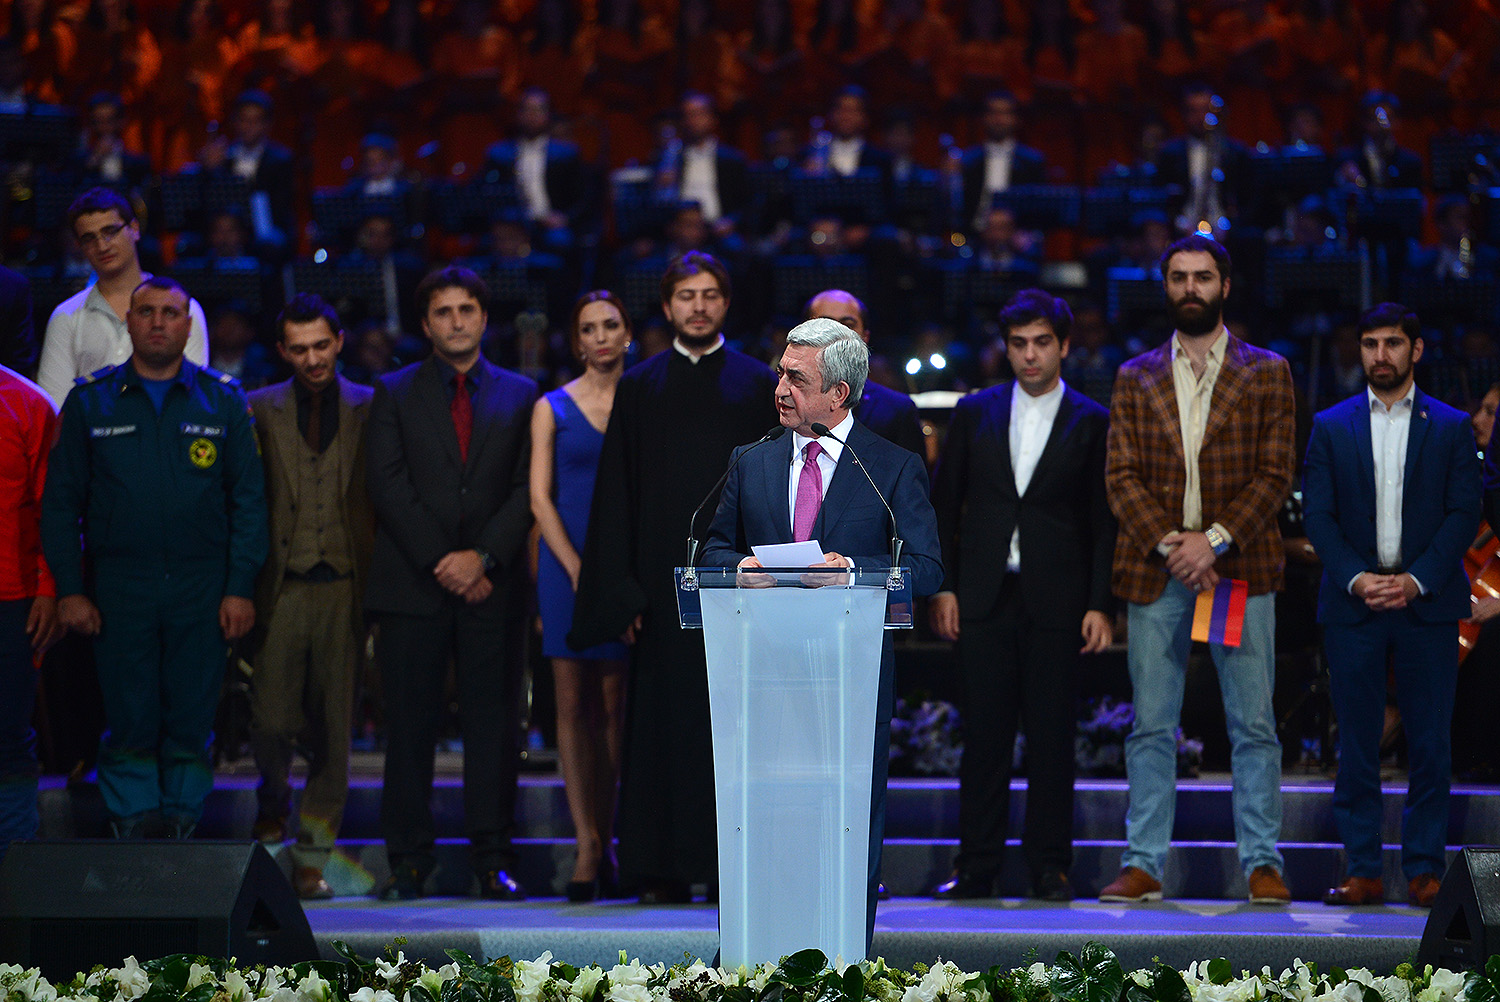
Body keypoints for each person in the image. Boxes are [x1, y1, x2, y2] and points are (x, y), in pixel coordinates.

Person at [700, 316, 942, 948]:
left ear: (839, 393)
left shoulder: (891, 468)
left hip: (848, 686)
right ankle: (750, 962)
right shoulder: (750, 461)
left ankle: (844, 963)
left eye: (796, 379)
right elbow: (712, 552)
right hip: (762, 681)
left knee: (847, 835)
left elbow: (926, 568)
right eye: (781, 373)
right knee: (763, 829)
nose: (780, 388)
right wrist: (742, 570)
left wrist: (854, 574)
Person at [569, 251, 777, 904]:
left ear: (726, 303)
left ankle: (727, 869)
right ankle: (659, 869)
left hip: (740, 589)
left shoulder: (757, 384)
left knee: (734, 728)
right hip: (661, 593)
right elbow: (617, 493)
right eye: (686, 295)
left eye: (710, 294)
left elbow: (775, 488)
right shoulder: (641, 386)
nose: (698, 306)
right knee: (661, 726)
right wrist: (623, 591)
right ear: (667, 307)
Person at [1100, 234, 1295, 904]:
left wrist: (1210, 542)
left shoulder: (1267, 371)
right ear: (1166, 287)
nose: (1191, 287)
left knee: (1254, 724)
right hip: (1159, 570)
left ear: (1225, 286)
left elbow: (1276, 473)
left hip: (1237, 568)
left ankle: (1262, 862)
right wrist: (1175, 546)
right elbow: (1120, 476)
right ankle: (1144, 863)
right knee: (1152, 725)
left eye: (1202, 277)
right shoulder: (1135, 375)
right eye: (1179, 277)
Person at [40, 276, 267, 839]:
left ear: (189, 326)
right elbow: (60, 504)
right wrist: (70, 589)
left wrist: (240, 587)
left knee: (191, 712)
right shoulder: (90, 401)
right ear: (130, 323)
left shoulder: (223, 400)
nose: (159, 322)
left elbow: (249, 503)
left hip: (202, 584)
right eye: (146, 312)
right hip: (120, 585)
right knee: (130, 712)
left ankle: (183, 816)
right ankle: (133, 817)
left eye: (171, 313)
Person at [928, 289, 1116, 902]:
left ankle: (1050, 866)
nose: (1030, 355)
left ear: (1064, 346)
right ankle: (976, 866)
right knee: (983, 737)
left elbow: (1102, 521)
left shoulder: (1092, 419)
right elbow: (944, 506)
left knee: (1052, 738)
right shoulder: (974, 411)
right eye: (1018, 344)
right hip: (983, 594)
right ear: (1005, 349)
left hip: (1058, 600)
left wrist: (1099, 603)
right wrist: (944, 586)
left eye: (1041, 343)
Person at [365, 266, 537, 901]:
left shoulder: (522, 393)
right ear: (425, 323)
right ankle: (409, 862)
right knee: (410, 727)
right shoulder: (393, 391)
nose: (457, 321)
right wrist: (446, 560)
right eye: (443, 312)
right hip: (415, 585)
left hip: (493, 587)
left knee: (494, 729)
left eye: (467, 310)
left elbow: (526, 487)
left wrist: (482, 558)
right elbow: (386, 484)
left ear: (484, 319)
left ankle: (493, 859)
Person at [1303, 303, 1481, 908]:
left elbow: (1464, 513)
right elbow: (1318, 515)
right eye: (1371, 344)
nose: (1381, 355)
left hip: (1426, 603)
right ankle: (1363, 869)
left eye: (1393, 343)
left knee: (1429, 742)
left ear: (1416, 349)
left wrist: (1416, 580)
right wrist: (1357, 578)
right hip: (1354, 603)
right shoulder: (1331, 425)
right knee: (1356, 742)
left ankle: (1425, 868)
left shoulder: (1451, 425)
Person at [247, 293, 374, 900]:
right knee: (270, 720)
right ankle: (273, 801)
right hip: (284, 583)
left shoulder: (370, 406)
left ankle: (312, 855)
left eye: (322, 345)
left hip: (346, 585)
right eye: (299, 349)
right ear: (282, 351)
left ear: (340, 342)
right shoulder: (258, 408)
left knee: (333, 731)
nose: (313, 358)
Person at [529, 291, 631, 902]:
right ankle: (586, 844)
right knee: (571, 705)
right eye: (588, 328)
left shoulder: (641, 401)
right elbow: (539, 498)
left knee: (615, 706)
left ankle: (612, 837)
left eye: (610, 325)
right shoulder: (551, 407)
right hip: (564, 567)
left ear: (627, 334)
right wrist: (573, 567)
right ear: (576, 341)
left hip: (620, 571)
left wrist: (615, 573)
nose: (600, 337)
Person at [38, 188, 209, 407]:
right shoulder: (66, 317)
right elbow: (55, 407)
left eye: (110, 231)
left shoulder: (182, 309)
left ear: (134, 229)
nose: (102, 246)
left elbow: (191, 398)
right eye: (89, 238)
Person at [0, 361, 61, 859]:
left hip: (13, 596)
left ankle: (12, 863)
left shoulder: (28, 403)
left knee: (8, 733)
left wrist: (49, 588)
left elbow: (54, 507)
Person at [805, 289, 924, 457]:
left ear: (865, 337)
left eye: (848, 325)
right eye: (826, 324)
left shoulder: (898, 410)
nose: (837, 334)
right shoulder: (783, 402)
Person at [961, 90, 1047, 233]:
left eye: (1005, 113)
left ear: (1016, 119)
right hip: (973, 236)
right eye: (993, 113)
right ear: (984, 117)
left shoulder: (1033, 161)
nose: (999, 119)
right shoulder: (967, 160)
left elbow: (1039, 211)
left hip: (1017, 237)